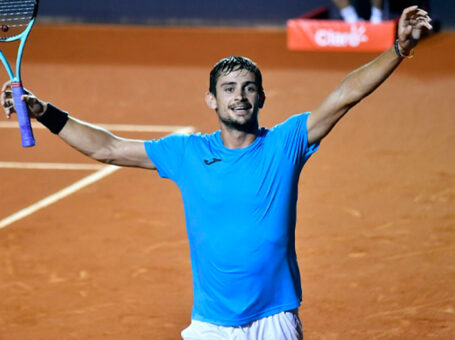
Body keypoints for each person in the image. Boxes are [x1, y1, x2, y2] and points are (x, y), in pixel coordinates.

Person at [1, 6, 432, 340]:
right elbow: (108, 148)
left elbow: (344, 96)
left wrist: (398, 49)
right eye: (228, 89)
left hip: (275, 319)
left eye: (248, 88)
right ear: (211, 100)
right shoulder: (187, 153)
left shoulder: (285, 144)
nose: (239, 97)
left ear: (262, 96)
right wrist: (44, 112)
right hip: (211, 324)